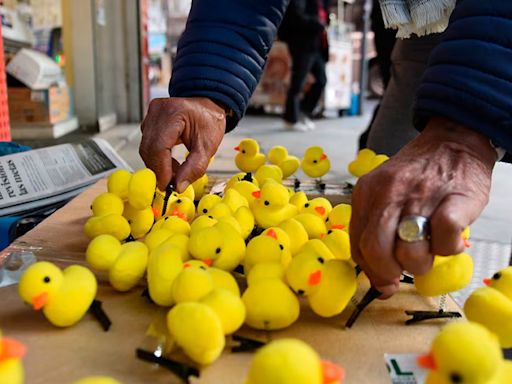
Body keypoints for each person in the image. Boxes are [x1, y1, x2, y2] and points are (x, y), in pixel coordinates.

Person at [139, 0, 512, 298]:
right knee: (382, 204)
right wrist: (209, 85)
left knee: (418, 210)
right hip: (424, 28)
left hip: (484, 25)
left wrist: (466, 125)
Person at [279, 0, 329, 132]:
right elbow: (296, 17)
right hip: (302, 44)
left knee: (321, 80)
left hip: (317, 45)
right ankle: (291, 119)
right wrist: (317, 23)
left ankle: (304, 113)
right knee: (298, 82)